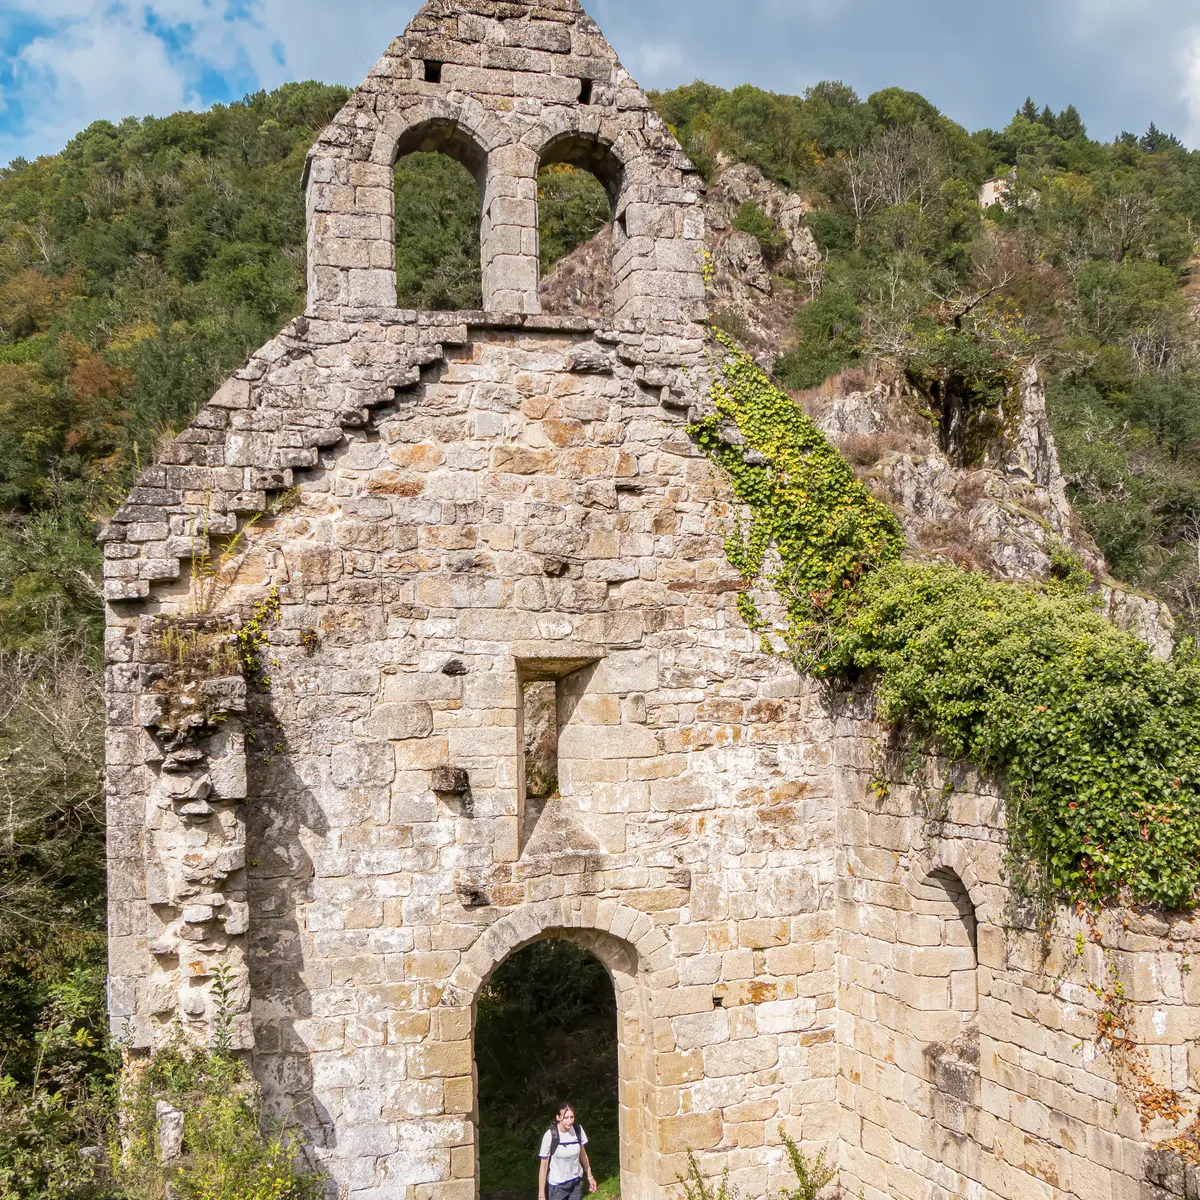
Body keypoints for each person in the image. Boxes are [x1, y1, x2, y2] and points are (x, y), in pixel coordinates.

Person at [538, 1101, 597, 1200]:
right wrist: (541, 1195)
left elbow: (583, 1154)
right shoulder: (551, 1135)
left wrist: (590, 1177)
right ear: (558, 1117)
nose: (570, 1121)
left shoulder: (578, 1129)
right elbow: (543, 1167)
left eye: (572, 1117)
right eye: (566, 1118)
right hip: (557, 1186)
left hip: (576, 1183)